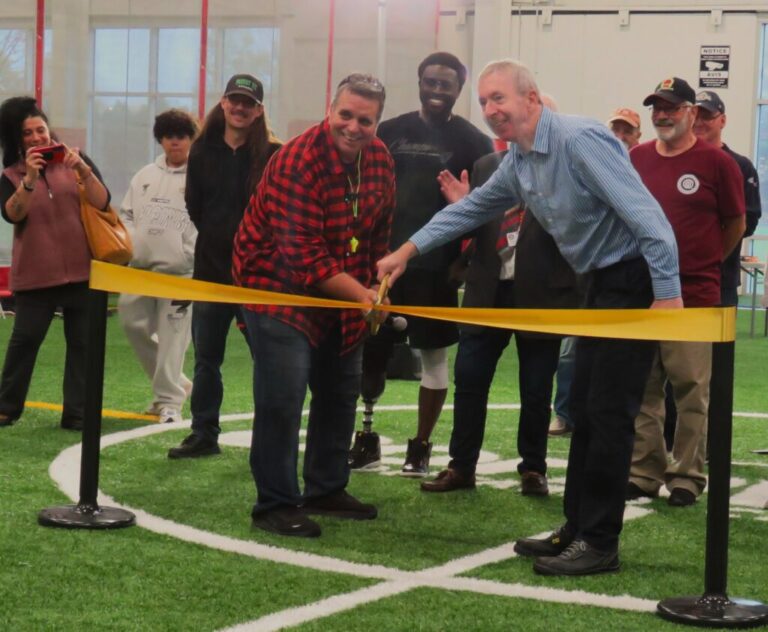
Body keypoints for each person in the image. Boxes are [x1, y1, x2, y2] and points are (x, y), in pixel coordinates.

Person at [377, 59, 681, 576]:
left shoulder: (581, 140)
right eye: (486, 103)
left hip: (632, 283)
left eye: (501, 98)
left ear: (532, 99)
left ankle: (600, 542)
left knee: (608, 416)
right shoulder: (519, 160)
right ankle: (577, 527)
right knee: (584, 409)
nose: (492, 110)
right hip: (596, 284)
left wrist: (667, 297)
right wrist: (407, 249)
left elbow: (649, 218)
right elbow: (468, 210)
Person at [232, 74, 396, 538]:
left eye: (365, 120)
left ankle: (325, 488)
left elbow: (380, 231)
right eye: (345, 114)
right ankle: (275, 503)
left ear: (377, 123)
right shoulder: (296, 161)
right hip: (277, 287)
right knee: (283, 395)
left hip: (344, 283)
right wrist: (363, 295)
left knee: (341, 389)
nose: (353, 126)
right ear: (330, 110)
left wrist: (377, 287)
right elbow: (302, 254)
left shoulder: (382, 161)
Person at [421, 94, 582, 497]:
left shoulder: (566, 169)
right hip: (486, 289)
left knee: (535, 387)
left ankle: (533, 468)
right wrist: (464, 206)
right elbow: (476, 226)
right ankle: (461, 466)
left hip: (542, 294)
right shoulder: (487, 167)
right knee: (470, 381)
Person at [349, 52, 493, 476]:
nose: (436, 90)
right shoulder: (387, 132)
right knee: (370, 358)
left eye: (445, 84)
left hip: (438, 273)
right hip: (382, 270)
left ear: (458, 90)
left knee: (433, 358)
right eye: (430, 81)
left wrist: (464, 262)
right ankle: (366, 437)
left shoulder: (475, 144)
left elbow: (489, 212)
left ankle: (421, 445)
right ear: (419, 82)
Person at [627, 78, 745, 507]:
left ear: (692, 113)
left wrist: (705, 262)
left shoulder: (717, 163)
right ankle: (644, 471)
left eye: (672, 107)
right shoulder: (637, 158)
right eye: (657, 107)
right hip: (642, 292)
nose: (663, 114)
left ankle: (687, 476)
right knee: (644, 389)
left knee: (692, 390)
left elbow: (735, 223)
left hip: (695, 296)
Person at [168, 74, 281, 459]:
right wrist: (220, 241)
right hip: (211, 274)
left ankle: (271, 436)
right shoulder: (201, 152)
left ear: (259, 110)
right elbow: (195, 207)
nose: (240, 107)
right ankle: (204, 433)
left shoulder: (273, 154)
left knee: (267, 360)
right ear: (223, 102)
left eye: (248, 102)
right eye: (234, 100)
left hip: (260, 277)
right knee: (206, 361)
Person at [0, 96, 110, 430]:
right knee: (25, 341)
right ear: (18, 140)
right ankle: (6, 407)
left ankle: (76, 413)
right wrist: (29, 180)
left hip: (82, 271)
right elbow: (11, 214)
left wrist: (83, 169)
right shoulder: (11, 174)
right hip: (36, 275)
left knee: (82, 344)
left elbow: (102, 201)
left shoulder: (76, 161)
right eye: (28, 133)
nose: (36, 137)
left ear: (50, 130)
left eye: (40, 129)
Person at [118, 109, 199, 425]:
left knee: (173, 339)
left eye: (181, 136)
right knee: (131, 322)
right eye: (169, 136)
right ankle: (177, 383)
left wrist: (190, 251)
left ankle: (168, 404)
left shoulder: (199, 175)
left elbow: (208, 217)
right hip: (141, 271)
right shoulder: (145, 176)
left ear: (190, 139)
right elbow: (125, 214)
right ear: (161, 139)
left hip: (181, 274)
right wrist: (131, 239)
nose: (175, 142)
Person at [692, 90, 762, 306]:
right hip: (676, 279)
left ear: (722, 121)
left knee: (718, 339)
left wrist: (711, 256)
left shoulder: (740, 166)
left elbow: (748, 222)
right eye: (695, 115)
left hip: (720, 279)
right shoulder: (676, 160)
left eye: (707, 117)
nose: (699, 122)